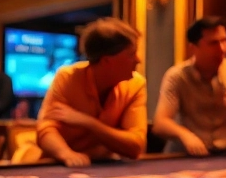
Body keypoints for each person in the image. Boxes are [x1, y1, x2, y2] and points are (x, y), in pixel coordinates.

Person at [153, 16, 226, 155]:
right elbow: (160, 123)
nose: (222, 48)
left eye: (224, 41)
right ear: (193, 48)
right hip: (188, 152)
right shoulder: (177, 76)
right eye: (213, 43)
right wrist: (185, 135)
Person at [36, 18, 146, 167]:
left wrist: (89, 123)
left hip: (106, 168)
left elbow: (136, 146)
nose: (138, 60)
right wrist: (66, 154)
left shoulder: (136, 84)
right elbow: (45, 130)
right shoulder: (67, 78)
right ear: (107, 61)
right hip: (59, 166)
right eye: (131, 54)